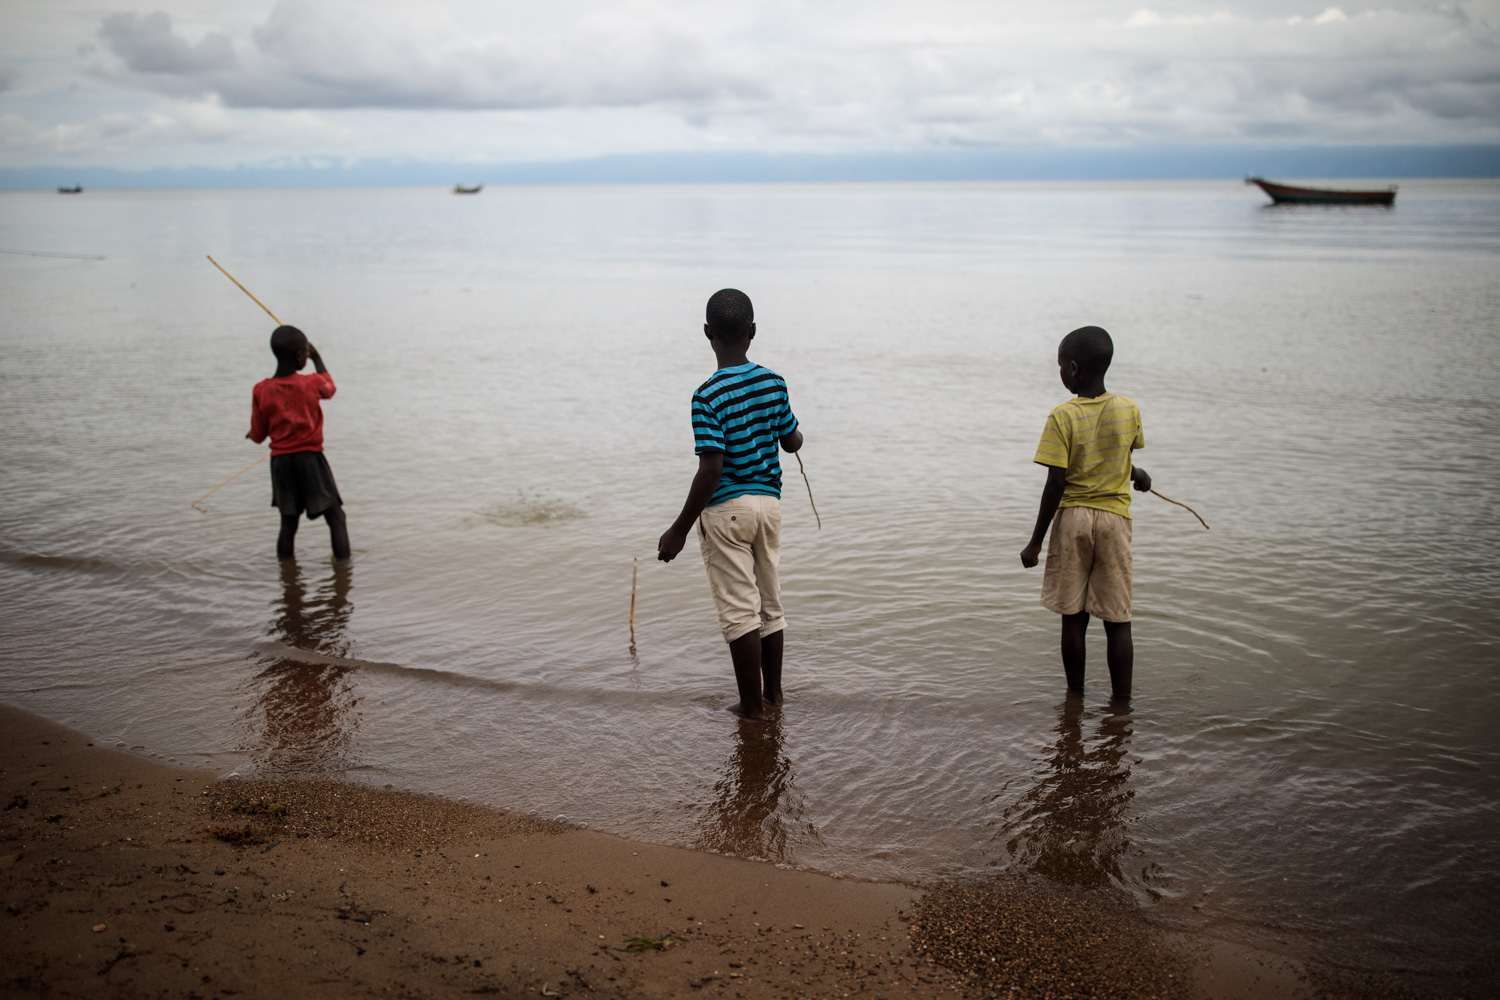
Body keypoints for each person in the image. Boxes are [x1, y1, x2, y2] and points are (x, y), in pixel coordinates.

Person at [658, 289, 803, 721]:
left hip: (728, 512)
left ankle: (752, 708)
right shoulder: (774, 383)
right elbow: (791, 439)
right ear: (752, 332)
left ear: (708, 334)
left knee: (741, 611)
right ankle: (774, 697)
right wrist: (794, 437)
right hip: (768, 508)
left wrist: (679, 529)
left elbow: (711, 469)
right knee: (769, 604)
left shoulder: (706, 396)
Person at [1020, 326, 1149, 700]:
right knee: (1118, 621)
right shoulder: (1128, 408)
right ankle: (1121, 707)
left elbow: (1056, 484)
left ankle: (1075, 699)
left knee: (1074, 618)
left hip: (1074, 520)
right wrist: (1139, 476)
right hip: (1114, 522)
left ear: (1074, 369)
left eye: (1061, 366)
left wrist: (1035, 542)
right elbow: (1121, 458)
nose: (1060, 372)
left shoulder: (1062, 417)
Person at [247, 325, 351, 561]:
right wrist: (318, 358)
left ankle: (287, 576)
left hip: (281, 463)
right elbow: (330, 389)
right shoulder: (311, 383)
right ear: (299, 357)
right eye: (304, 354)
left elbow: (258, 434)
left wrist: (250, 435)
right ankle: (344, 573)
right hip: (310, 459)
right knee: (336, 518)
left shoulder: (261, 390)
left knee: (288, 523)